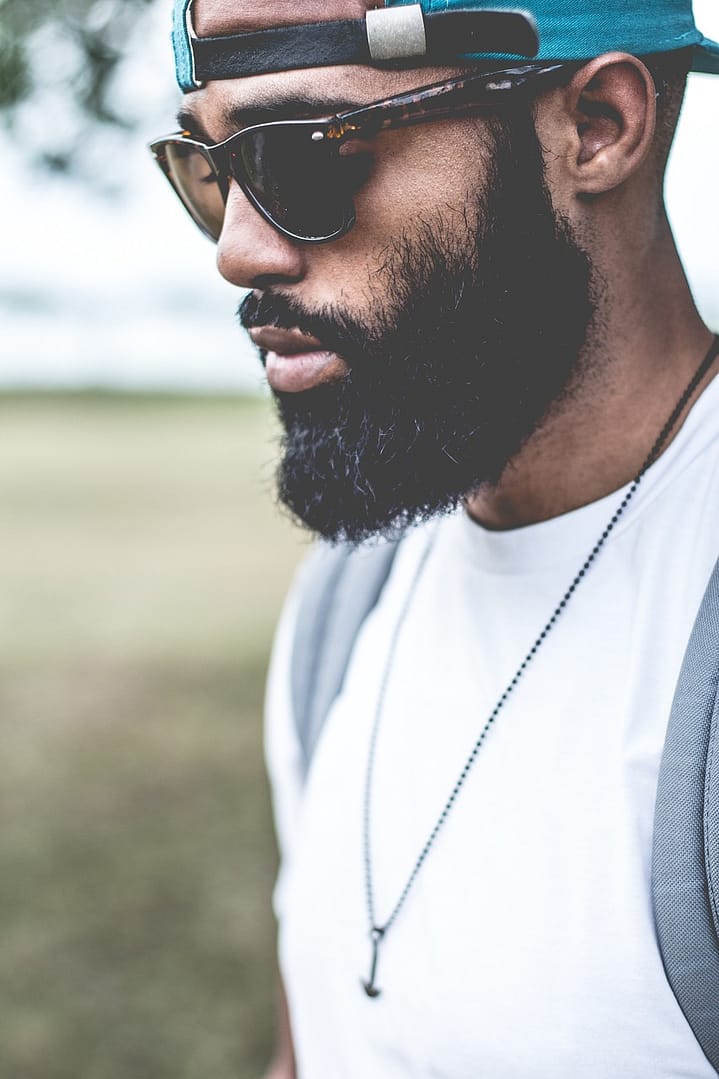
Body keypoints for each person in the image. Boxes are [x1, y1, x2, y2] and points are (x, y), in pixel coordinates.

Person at [151, 0, 719, 1074]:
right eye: (210, 170)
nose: (237, 250)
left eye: (301, 159)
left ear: (595, 125)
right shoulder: (345, 602)